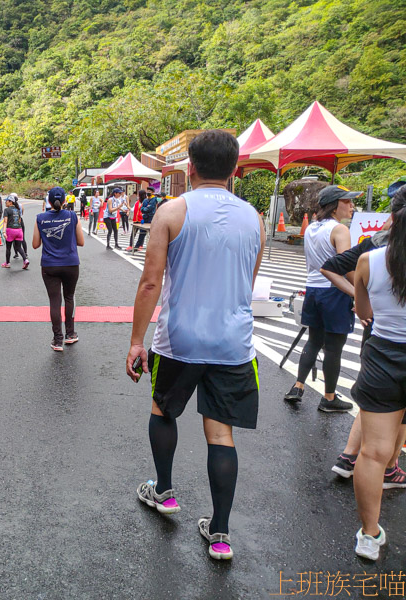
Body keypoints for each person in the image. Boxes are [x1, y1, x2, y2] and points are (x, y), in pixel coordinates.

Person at [126, 130, 265, 561]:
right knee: (220, 432)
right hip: (233, 343)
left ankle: (164, 492)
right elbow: (249, 280)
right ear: (235, 171)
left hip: (180, 337)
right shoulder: (254, 218)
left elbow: (151, 281)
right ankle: (220, 534)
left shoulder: (172, 211)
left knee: (163, 410)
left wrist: (136, 341)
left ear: (190, 168)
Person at [321, 187, 406, 487]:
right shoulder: (374, 246)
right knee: (396, 415)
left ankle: (348, 457)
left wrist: (361, 301)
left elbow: (331, 267)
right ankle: (390, 468)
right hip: (388, 341)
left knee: (377, 406)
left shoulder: (375, 246)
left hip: (378, 339)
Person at [350, 194, 406, 560]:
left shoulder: (368, 261)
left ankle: (369, 536)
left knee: (372, 452)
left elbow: (363, 313)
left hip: (384, 357)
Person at [283, 185, 357, 412]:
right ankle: (329, 398)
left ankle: (297, 386)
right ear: (335, 205)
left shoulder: (313, 228)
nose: (352, 206)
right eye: (348, 202)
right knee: (334, 348)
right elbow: (344, 266)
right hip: (335, 291)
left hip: (313, 289)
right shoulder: (340, 230)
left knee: (314, 340)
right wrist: (360, 289)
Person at [32, 186, 84, 351]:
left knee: (55, 301)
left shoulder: (40, 218)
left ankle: (57, 340)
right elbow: (81, 241)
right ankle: (70, 334)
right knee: (69, 298)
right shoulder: (72, 216)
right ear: (64, 201)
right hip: (70, 263)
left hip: (49, 265)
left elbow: (35, 245)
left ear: (48, 201)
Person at [2, 193, 29, 269]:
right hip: (19, 230)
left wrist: (4, 232)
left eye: (7, 201)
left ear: (11, 202)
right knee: (19, 247)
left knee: (8, 248)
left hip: (10, 230)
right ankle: (25, 260)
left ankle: (7, 263)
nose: (5, 202)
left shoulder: (6, 210)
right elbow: (19, 220)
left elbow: (5, 221)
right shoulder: (17, 210)